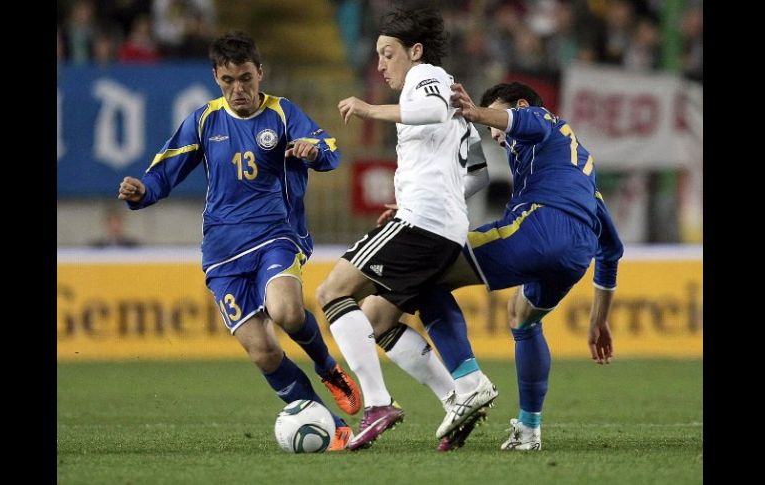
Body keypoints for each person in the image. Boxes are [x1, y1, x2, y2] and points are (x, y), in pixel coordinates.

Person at [116, 32, 361, 451]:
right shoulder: (204, 120)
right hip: (222, 252)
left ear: (259, 73)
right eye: (228, 80)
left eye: (245, 78)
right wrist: (143, 192)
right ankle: (331, 424)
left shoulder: (282, 113)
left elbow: (329, 147)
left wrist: (313, 151)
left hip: (275, 234)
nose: (238, 89)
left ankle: (327, 367)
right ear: (216, 77)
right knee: (264, 352)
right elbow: (164, 171)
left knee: (286, 311)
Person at [365, 81, 624, 451]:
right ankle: (529, 431)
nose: (497, 138)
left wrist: (476, 113)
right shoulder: (577, 173)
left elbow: (524, 121)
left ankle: (468, 383)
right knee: (522, 317)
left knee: (427, 270)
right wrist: (599, 319)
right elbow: (611, 249)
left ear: (519, 106)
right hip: (577, 251)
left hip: (539, 226)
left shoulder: (544, 121)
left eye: (496, 126)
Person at [315, 7, 498, 451]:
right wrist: (434, 194)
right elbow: (478, 173)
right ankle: (457, 399)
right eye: (378, 55)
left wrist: (368, 108)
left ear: (415, 51)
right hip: (442, 225)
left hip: (422, 224)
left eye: (388, 53)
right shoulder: (453, 98)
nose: (381, 65)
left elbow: (432, 110)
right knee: (378, 319)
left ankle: (378, 403)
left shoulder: (427, 76)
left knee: (331, 292)